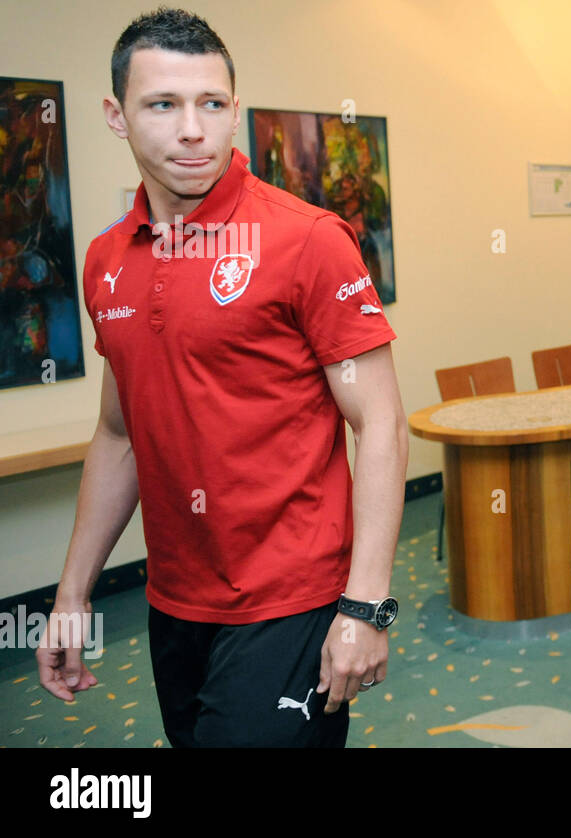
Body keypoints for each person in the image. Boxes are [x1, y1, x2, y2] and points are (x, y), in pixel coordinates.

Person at [35, 8, 408, 748]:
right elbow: (119, 434)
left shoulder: (307, 241)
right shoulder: (107, 260)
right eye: (162, 105)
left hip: (292, 599)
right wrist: (72, 592)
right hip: (176, 600)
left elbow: (382, 424)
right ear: (117, 115)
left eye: (211, 104)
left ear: (235, 109)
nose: (192, 130)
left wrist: (366, 607)